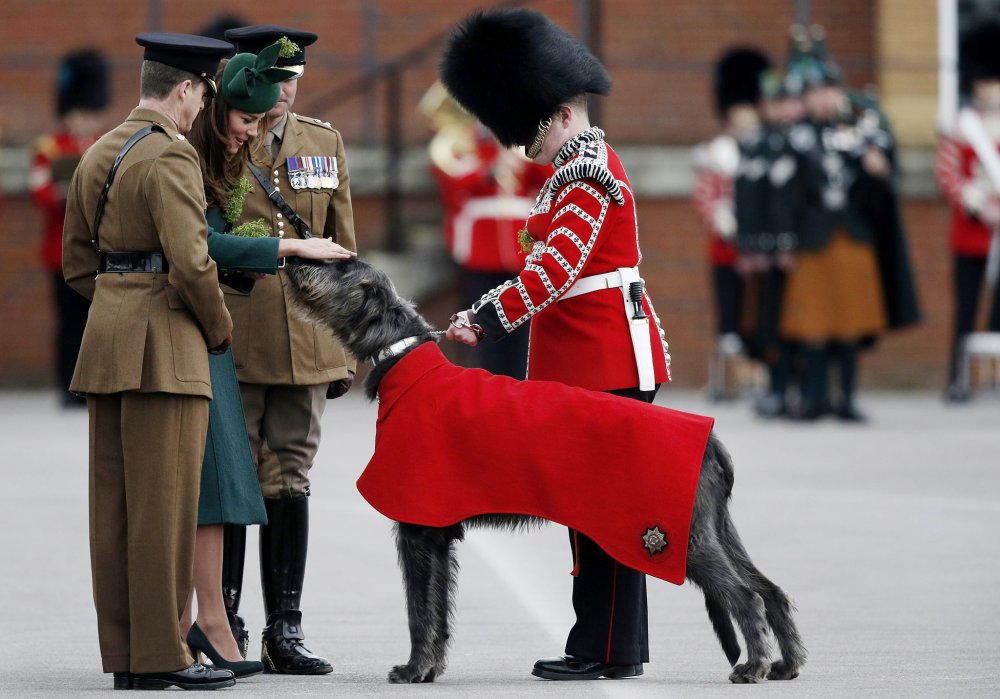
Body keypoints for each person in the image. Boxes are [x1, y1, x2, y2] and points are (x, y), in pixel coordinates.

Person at [440, 9, 671, 680]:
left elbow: (554, 269)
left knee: (603, 510)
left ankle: (601, 646)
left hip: (607, 356)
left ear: (561, 114)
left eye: (528, 130)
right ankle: (608, 644)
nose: (523, 146)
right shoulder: (570, 165)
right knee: (591, 507)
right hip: (588, 358)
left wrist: (483, 315)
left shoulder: (586, 169)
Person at [62, 32, 237, 691]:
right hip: (165, 349)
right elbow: (193, 264)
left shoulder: (99, 151)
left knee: (116, 508)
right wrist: (217, 329)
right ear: (186, 89)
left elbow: (78, 263)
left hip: (107, 343)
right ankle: (167, 653)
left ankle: (129, 654)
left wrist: (121, 299)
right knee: (166, 505)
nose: (199, 112)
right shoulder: (171, 156)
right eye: (200, 96)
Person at [182, 42, 356, 677]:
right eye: (274, 81)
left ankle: (286, 626)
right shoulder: (222, 139)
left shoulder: (323, 142)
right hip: (241, 328)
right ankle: (224, 619)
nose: (284, 94)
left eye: (294, 81)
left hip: (309, 337)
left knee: (291, 473)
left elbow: (344, 246)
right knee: (235, 476)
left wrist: (346, 344)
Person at [781, 26, 918, 421]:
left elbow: (881, 192)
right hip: (812, 237)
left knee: (850, 322)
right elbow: (786, 195)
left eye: (830, 91)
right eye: (817, 92)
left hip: (852, 234)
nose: (825, 99)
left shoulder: (860, 133)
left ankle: (846, 400)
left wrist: (879, 170)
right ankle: (811, 399)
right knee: (813, 324)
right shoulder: (795, 136)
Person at [422, 84, 552, 377]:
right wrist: (488, 171)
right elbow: (451, 183)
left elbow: (548, 179)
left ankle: (520, 384)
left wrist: (524, 151)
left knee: (524, 326)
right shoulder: (463, 144)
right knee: (482, 325)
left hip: (523, 251)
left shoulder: (522, 145)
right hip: (479, 251)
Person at [29, 49, 111, 407]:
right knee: (68, 322)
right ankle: (67, 385)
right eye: (82, 113)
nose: (86, 120)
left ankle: (90, 383)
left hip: (96, 250)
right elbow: (41, 192)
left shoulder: (102, 146)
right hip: (59, 251)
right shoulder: (49, 148)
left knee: (94, 322)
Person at [692, 47, 770, 400]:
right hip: (726, 247)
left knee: (755, 312)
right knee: (728, 315)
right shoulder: (717, 153)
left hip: (758, 246)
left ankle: (755, 375)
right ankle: (727, 379)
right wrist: (721, 220)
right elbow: (705, 197)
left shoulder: (763, 153)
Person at [935, 21, 1000, 402]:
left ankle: (992, 377)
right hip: (973, 233)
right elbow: (948, 175)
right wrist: (976, 200)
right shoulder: (963, 128)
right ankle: (958, 377)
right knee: (967, 307)